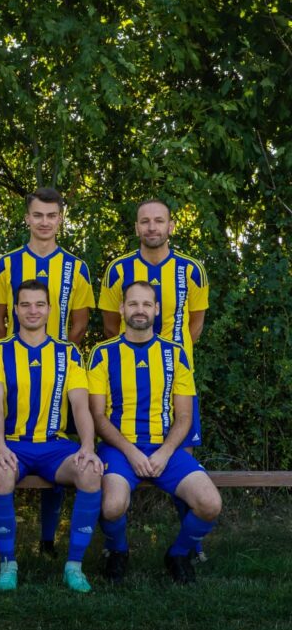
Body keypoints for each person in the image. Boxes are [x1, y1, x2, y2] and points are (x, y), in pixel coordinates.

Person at [89, 281, 222, 585]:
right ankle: (118, 551)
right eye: (133, 304)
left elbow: (185, 416)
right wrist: (131, 452)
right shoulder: (102, 354)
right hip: (119, 449)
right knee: (112, 505)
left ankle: (178, 553)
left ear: (157, 310)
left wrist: (163, 452)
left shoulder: (175, 354)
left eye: (147, 304)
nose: (140, 310)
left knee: (210, 504)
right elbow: (97, 417)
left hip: (166, 449)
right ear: (122, 308)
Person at [99, 198, 210, 559]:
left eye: (158, 221)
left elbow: (195, 323)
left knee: (182, 457)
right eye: (145, 221)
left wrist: (168, 358)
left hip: (176, 380)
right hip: (127, 375)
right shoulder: (118, 270)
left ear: (171, 226)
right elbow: (111, 325)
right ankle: (117, 550)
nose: (151, 227)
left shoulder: (192, 270)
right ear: (136, 228)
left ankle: (189, 548)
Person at [0, 187, 96, 558]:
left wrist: (55, 355)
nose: (45, 222)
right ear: (27, 218)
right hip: (16, 368)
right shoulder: (6, 264)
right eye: (38, 215)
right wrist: (16, 353)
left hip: (58, 375)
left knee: (56, 439)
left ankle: (51, 543)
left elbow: (81, 320)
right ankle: (7, 557)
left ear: (60, 219)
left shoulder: (76, 267)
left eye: (52, 216)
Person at [0, 280, 103, 593]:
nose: (32, 311)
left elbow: (81, 407)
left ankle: (74, 566)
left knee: (90, 471)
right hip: (12, 443)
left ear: (50, 309)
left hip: (55, 446)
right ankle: (8, 563)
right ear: (15, 310)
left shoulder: (69, 353)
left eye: (39, 304)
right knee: (0, 470)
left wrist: (88, 447)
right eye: (25, 304)